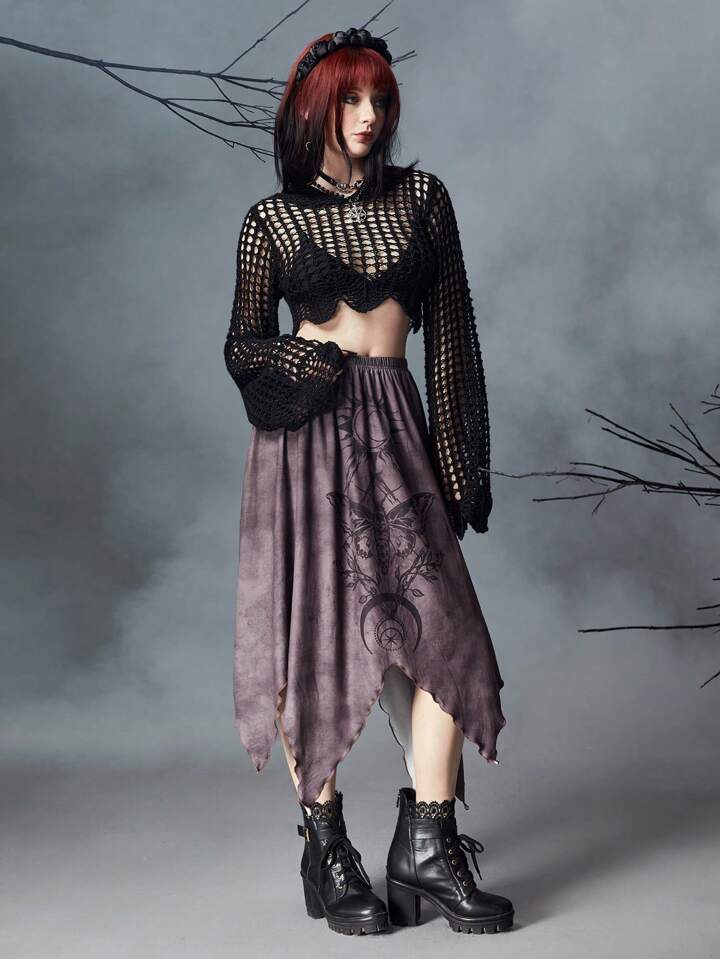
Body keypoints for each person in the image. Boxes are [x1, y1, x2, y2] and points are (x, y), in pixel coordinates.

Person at [224, 27, 514, 936]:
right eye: (351, 98)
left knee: (448, 637)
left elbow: (453, 337)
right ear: (315, 106)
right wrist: (301, 364)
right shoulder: (271, 221)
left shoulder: (424, 199)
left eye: (380, 99)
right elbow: (242, 346)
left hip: (395, 423)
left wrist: (461, 461)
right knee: (312, 636)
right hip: (306, 437)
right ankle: (327, 845)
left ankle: (427, 845)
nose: (368, 115)